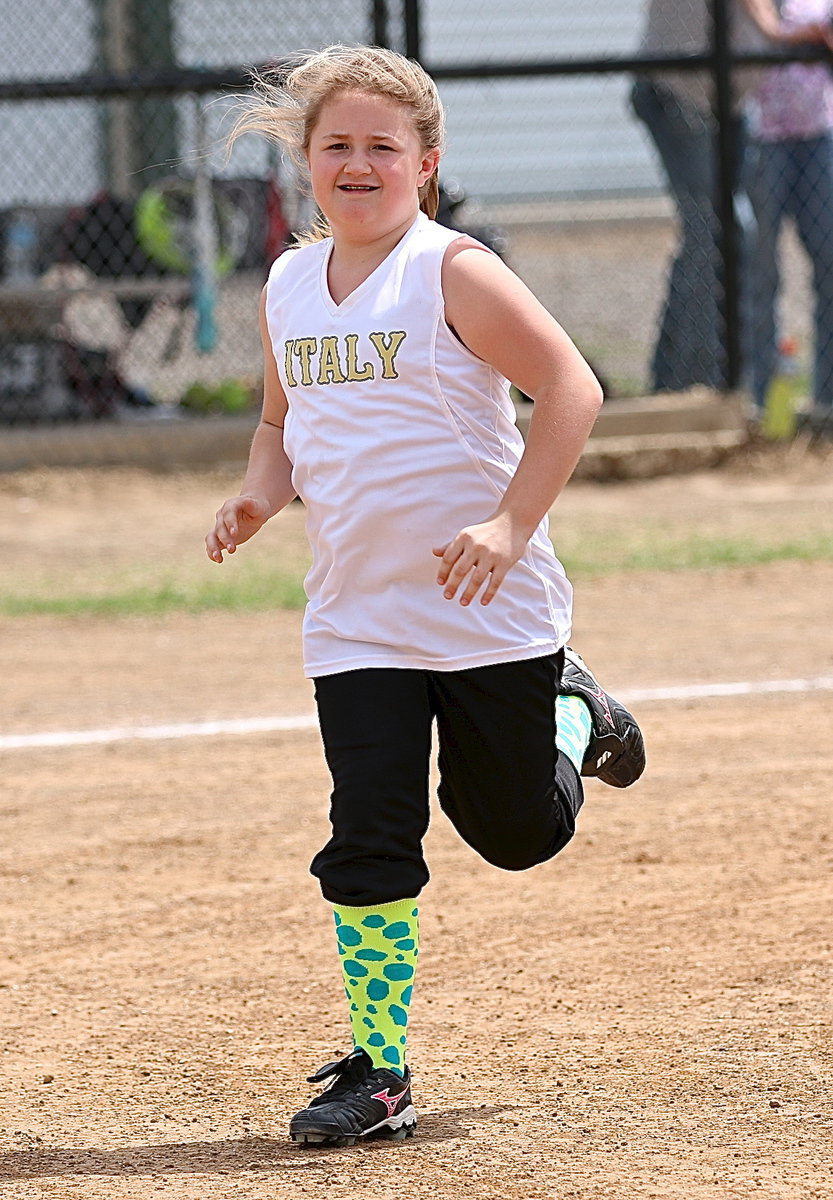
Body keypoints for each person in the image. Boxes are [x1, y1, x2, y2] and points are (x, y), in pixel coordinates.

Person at [205, 45, 646, 1148]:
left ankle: (575, 714)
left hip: (486, 609)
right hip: (356, 620)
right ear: (307, 161)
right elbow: (280, 422)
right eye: (336, 145)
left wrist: (509, 525)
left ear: (424, 163)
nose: (357, 164)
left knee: (511, 832)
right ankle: (381, 1069)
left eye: (381, 147)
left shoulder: (450, 272)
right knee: (368, 834)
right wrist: (259, 495)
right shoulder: (288, 285)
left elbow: (572, 389)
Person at [631, 0, 825, 393]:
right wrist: (788, 33)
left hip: (728, 104)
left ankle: (676, 379)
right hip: (680, 95)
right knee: (718, 233)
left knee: (717, 238)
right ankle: (701, 381)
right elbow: (768, 25)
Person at [746, 0, 833, 435]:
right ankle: (756, 402)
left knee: (829, 268)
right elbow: (767, 31)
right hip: (762, 140)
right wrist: (808, 35)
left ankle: (826, 401)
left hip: (819, 135)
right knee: (760, 272)